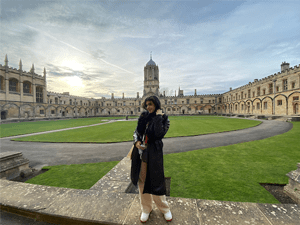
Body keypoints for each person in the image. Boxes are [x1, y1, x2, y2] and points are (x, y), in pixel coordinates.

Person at [130, 96, 172, 223]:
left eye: (151, 104)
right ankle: (146, 209)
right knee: (142, 182)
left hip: (155, 153)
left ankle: (164, 209)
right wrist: (137, 141)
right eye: (147, 104)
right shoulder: (143, 116)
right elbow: (137, 131)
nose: (148, 107)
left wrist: (158, 117)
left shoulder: (164, 118)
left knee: (157, 181)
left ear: (156, 105)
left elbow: (159, 134)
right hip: (142, 153)